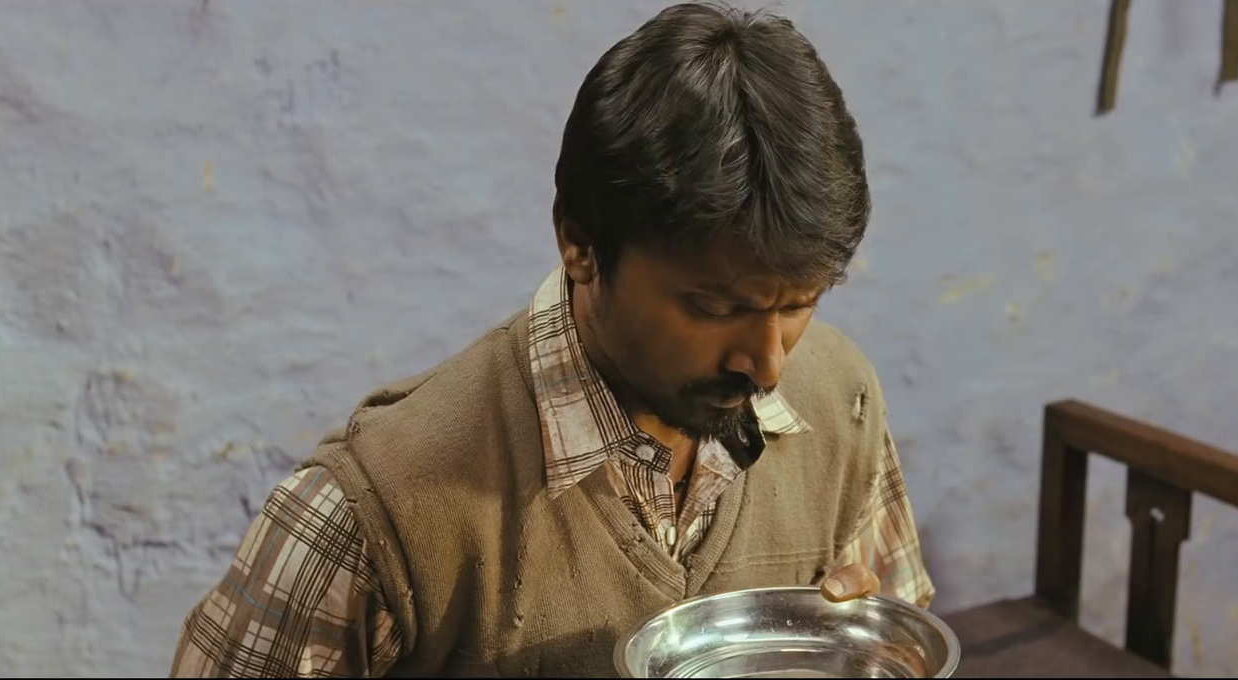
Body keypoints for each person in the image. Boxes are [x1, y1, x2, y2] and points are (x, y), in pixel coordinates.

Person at [169, 2, 934, 676]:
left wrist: (849, 652)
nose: (766, 364)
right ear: (580, 243)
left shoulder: (843, 406)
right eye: (711, 306)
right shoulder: (376, 512)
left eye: (799, 305)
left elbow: (897, 628)